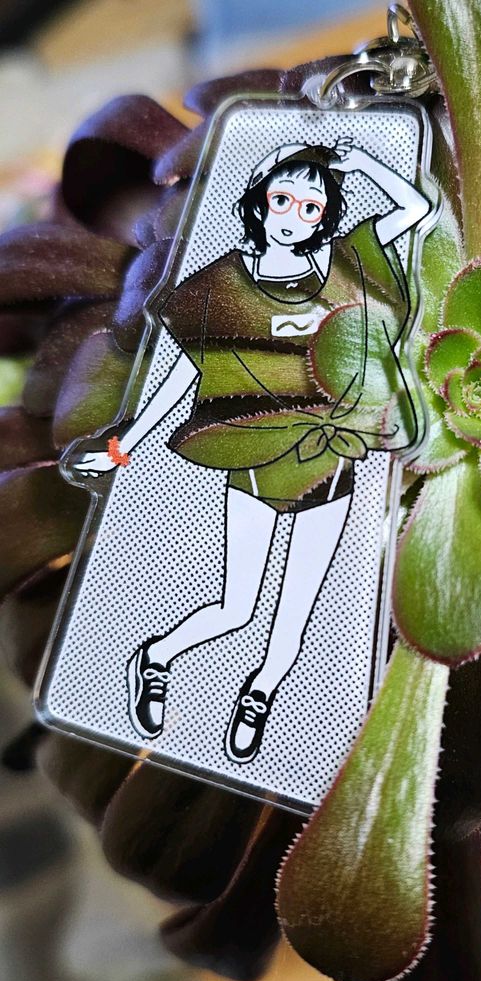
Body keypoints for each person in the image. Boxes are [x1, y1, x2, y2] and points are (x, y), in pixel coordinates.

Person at [73, 136, 431, 764]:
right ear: (259, 202)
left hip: (330, 460)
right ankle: (155, 656)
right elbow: (181, 375)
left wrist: (364, 164)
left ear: (327, 217)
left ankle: (260, 696)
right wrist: (120, 446)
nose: (294, 215)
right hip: (254, 453)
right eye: (282, 199)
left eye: (312, 207)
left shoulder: (347, 265)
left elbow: (415, 210)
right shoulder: (219, 283)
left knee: (294, 618)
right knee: (236, 608)